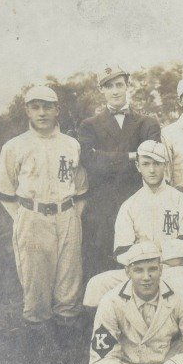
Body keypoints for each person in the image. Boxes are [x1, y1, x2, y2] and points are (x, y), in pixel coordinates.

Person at [0, 83, 87, 329]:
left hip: (67, 213)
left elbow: (81, 188)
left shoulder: (71, 144)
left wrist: (73, 216)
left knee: (69, 277)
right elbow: (5, 193)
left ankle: (67, 331)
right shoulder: (14, 146)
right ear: (27, 111)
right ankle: (37, 335)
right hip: (32, 215)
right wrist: (24, 217)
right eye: (35, 107)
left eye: (47, 107)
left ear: (57, 109)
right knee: (35, 280)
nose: (42, 113)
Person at [82, 140, 183, 306]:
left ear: (165, 165)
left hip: (174, 271)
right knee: (97, 284)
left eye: (157, 163)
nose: (151, 170)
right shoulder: (130, 204)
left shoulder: (181, 200)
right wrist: (155, 254)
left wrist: (146, 250)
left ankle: (181, 332)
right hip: (138, 271)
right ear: (138, 166)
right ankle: (101, 331)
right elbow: (121, 251)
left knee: (182, 294)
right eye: (146, 164)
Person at [75, 63, 160, 282]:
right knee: (103, 267)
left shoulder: (146, 123)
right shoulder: (89, 125)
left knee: (140, 263)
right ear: (102, 90)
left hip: (138, 203)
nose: (115, 90)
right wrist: (131, 156)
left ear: (127, 86)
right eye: (109, 86)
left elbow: (150, 158)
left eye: (119, 85)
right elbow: (90, 161)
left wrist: (106, 156)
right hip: (102, 207)